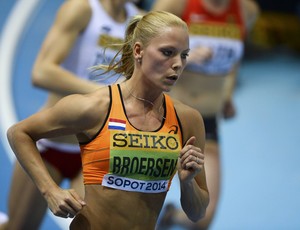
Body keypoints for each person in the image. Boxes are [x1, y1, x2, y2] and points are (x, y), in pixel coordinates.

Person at [6, 11, 209, 229]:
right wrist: (50, 190)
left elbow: (197, 213)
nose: (178, 64)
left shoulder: (187, 119)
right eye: (167, 52)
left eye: (184, 55)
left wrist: (187, 183)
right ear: (139, 51)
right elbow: (19, 132)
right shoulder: (96, 106)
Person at [0, 1, 142, 229]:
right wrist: (103, 94)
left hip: (99, 151)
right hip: (51, 146)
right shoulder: (82, 9)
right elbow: (41, 72)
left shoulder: (139, 23)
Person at [152, 0, 259, 229]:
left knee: (203, 216)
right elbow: (141, 53)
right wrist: (182, 57)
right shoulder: (176, 4)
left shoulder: (246, 10)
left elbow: (234, 58)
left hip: (206, 121)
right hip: (165, 116)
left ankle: (173, 216)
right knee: (138, 206)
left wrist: (226, 95)